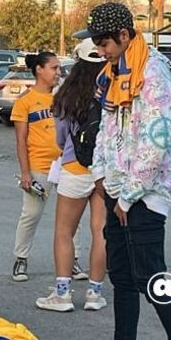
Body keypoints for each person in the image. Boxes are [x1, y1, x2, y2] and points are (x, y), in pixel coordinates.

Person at [70, 3, 171, 340]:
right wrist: (100, 177)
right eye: (96, 43)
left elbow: (157, 139)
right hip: (115, 188)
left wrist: (130, 194)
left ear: (126, 36)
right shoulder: (113, 74)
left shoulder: (154, 75)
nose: (101, 49)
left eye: (106, 42)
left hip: (144, 194)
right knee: (122, 276)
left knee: (152, 276)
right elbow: (107, 131)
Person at [36, 40, 108, 313]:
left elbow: (60, 138)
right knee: (100, 232)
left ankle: (63, 294)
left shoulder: (67, 96)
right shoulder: (111, 89)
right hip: (104, 172)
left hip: (74, 168)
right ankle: (94, 293)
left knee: (64, 232)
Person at [10, 51, 85, 283]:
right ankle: (21, 258)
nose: (58, 72)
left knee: (73, 218)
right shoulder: (25, 102)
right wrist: (25, 173)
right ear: (39, 70)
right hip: (39, 167)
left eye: (59, 68)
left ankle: (72, 261)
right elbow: (21, 140)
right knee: (31, 214)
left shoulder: (63, 97)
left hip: (67, 164)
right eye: (53, 67)